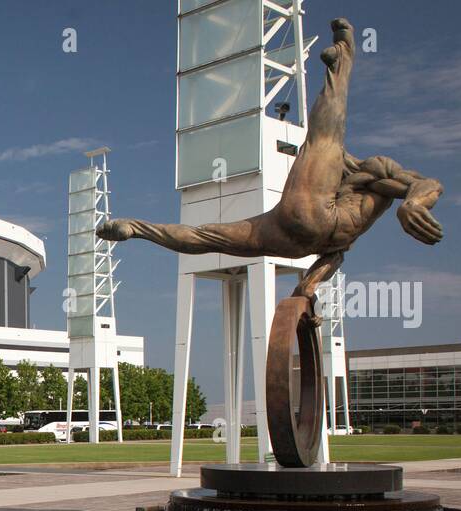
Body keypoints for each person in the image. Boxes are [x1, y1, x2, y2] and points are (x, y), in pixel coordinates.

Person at [97, 18, 443, 300]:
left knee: (324, 141)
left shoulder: (378, 169)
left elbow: (427, 185)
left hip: (315, 236)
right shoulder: (349, 172)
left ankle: (344, 60)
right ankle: (344, 60)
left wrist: (413, 204)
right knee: (207, 236)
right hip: (300, 227)